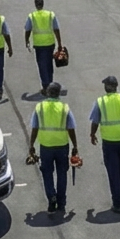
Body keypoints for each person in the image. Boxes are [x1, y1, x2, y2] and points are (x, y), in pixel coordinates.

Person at [89, 75, 120, 214]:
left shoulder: (101, 102)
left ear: (107, 87)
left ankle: (118, 203)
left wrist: (92, 134)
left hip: (109, 141)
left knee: (113, 171)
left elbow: (95, 121)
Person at [29, 82, 78, 214]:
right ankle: (61, 202)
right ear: (59, 93)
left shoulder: (39, 107)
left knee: (47, 173)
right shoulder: (64, 108)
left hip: (46, 146)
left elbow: (35, 127)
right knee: (62, 174)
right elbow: (71, 128)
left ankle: (51, 197)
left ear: (48, 93)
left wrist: (31, 145)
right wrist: (75, 146)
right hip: (62, 146)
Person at [24, 0, 62, 95]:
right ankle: (50, 83)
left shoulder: (32, 16)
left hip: (39, 45)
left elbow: (28, 29)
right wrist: (59, 43)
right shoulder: (50, 15)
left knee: (42, 65)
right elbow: (56, 29)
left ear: (35, 5)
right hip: (50, 43)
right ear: (43, 4)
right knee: (49, 64)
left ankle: (46, 87)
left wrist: (26, 40)